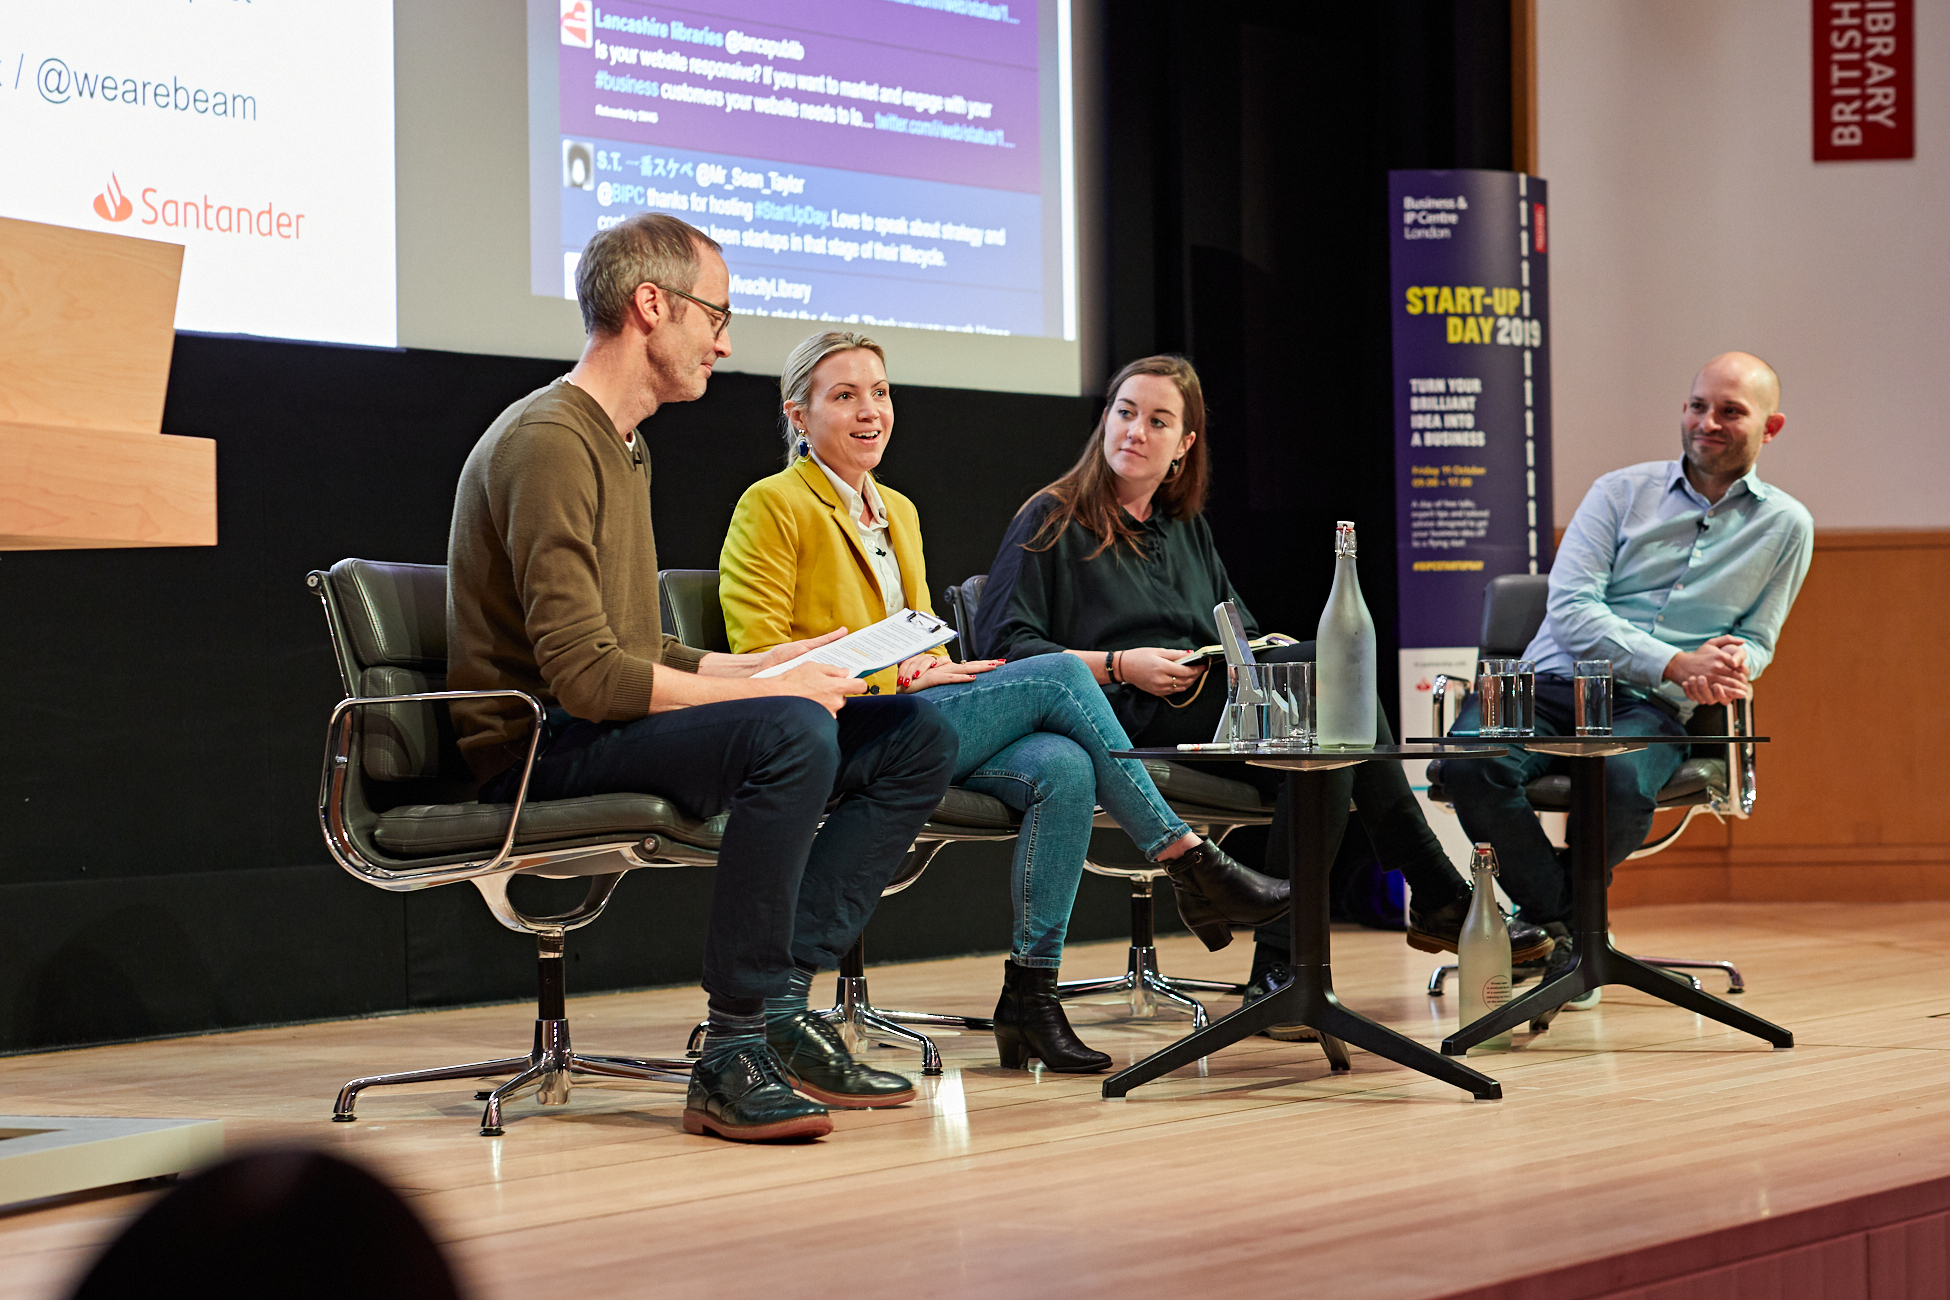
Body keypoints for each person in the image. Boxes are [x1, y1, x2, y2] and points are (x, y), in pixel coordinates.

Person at [447, 215, 961, 1142]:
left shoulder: (623, 444)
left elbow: (638, 645)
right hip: (536, 747)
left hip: (589, 721)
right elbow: (586, 679)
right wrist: (770, 697)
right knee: (790, 731)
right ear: (652, 306)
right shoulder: (551, 440)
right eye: (714, 315)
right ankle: (730, 1051)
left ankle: (779, 1008)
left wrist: (760, 664)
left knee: (914, 737)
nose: (725, 341)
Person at [718, 331, 1291, 1073]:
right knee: (1057, 676)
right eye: (845, 396)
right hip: (832, 728)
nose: (871, 412)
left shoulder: (899, 510)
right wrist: (898, 679)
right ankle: (1187, 855)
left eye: (881, 393)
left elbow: (916, 638)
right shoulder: (771, 506)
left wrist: (928, 666)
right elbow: (768, 667)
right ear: (799, 416)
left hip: (911, 722)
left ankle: (1030, 995)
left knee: (1062, 765)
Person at [970, 354, 1552, 1033]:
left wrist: (1264, 652)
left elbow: (1238, 631)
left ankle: (1287, 972)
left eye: (1158, 421)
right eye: (1125, 412)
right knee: (1330, 694)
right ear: (1105, 419)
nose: (1135, 431)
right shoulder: (1051, 518)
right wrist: (1122, 664)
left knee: (1324, 719)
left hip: (1216, 713)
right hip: (1120, 721)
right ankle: (1412, 903)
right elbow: (1005, 655)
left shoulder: (1184, 527)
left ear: (1185, 445)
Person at [1442, 351, 1813, 995]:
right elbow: (1572, 611)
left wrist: (1729, 666)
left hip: (1650, 704)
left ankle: (1549, 927)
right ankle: (1571, 928)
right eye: (1699, 405)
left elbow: (1758, 638)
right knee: (1469, 760)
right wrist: (1676, 659)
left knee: (1617, 777)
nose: (1709, 422)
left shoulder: (1786, 525)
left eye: (1731, 411)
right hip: (1548, 682)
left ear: (1770, 428)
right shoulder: (1619, 492)